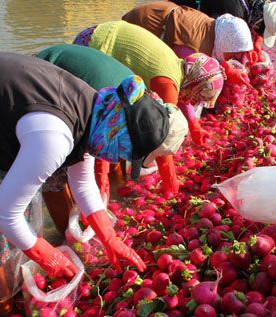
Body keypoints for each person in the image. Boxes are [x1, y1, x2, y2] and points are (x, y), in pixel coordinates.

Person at [0, 51, 176, 314]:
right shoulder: (55, 137)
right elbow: (5, 212)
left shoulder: (101, 113)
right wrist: (45, 254)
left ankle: (4, 294)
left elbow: (83, 184)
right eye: (125, 154)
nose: (117, 161)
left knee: (1, 216)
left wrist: (111, 240)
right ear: (120, 135)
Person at [35, 43, 188, 232]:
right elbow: (95, 154)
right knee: (55, 175)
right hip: (46, 72)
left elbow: (107, 149)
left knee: (96, 156)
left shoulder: (142, 105)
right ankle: (66, 232)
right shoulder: (110, 115)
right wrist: (101, 186)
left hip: (77, 76)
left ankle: (80, 216)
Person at [74, 20, 226, 195]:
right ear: (194, 84)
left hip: (101, 31)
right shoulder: (167, 83)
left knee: (120, 120)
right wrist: (171, 184)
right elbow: (160, 137)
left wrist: (194, 127)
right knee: (103, 122)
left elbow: (181, 101)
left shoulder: (180, 70)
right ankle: (102, 184)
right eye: (198, 96)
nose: (194, 102)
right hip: (97, 44)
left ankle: (115, 180)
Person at [122, 1, 253, 63]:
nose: (236, 57)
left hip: (155, 10)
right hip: (142, 23)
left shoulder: (212, 26)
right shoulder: (197, 49)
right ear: (226, 42)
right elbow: (183, 81)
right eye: (236, 51)